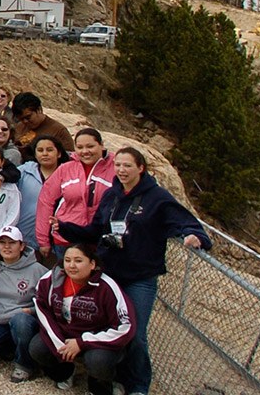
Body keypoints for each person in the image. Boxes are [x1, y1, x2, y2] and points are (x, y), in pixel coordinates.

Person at [59, 146, 212, 394]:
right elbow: (96, 229)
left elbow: (183, 222)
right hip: (110, 275)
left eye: (127, 165)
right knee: (104, 327)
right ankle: (109, 378)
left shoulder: (157, 197)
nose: (121, 170)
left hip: (139, 278)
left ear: (141, 167)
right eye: (118, 165)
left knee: (136, 334)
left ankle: (138, 385)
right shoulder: (112, 196)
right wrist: (66, 228)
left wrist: (194, 236)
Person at [29, 243, 134, 394]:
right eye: (67, 260)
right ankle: (66, 373)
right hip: (64, 335)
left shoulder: (107, 287)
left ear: (92, 264)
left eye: (78, 261)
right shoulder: (49, 280)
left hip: (97, 339)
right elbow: (42, 310)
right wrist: (60, 346)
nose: (71, 265)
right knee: (37, 348)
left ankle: (102, 386)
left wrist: (82, 342)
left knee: (98, 360)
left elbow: (125, 326)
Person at [0, 225, 47, 382]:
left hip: (23, 318)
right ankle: (11, 348)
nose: (6, 247)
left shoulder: (38, 270)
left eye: (12, 243)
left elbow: (47, 300)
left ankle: (25, 365)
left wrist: (30, 311)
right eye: (2, 242)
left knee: (21, 322)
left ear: (22, 245)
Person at [36, 128, 114, 262]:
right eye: (79, 147)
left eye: (90, 146)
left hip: (101, 239)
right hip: (66, 238)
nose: (85, 151)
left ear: (101, 145)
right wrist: (43, 240)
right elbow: (46, 201)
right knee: (68, 281)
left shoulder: (115, 168)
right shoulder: (66, 169)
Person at [17, 135, 68, 252]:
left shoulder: (68, 174)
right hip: (24, 237)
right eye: (40, 150)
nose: (45, 154)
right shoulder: (24, 171)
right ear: (35, 154)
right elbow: (8, 173)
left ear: (59, 153)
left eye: (49, 150)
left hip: (57, 238)